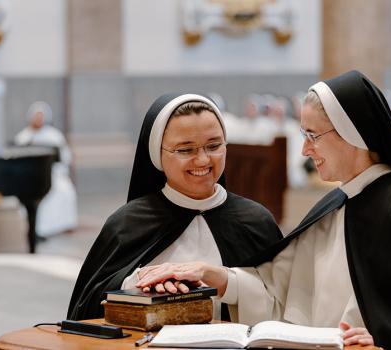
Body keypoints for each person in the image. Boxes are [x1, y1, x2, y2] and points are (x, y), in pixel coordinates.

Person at [135, 71, 391, 349]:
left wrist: (386, 340)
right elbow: (281, 293)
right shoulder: (341, 203)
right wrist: (216, 276)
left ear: (353, 133)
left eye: (313, 135)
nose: (305, 149)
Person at [67, 94, 283, 320]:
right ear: (158, 155)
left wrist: (225, 282)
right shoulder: (127, 224)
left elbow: (286, 306)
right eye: (185, 150)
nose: (203, 160)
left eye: (214, 145)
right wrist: (138, 284)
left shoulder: (255, 221)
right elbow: (86, 310)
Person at [14, 101, 77, 237]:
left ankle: (59, 225)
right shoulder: (23, 137)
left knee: (65, 190)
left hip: (53, 174)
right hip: (29, 176)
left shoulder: (54, 136)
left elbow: (64, 158)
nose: (38, 119)